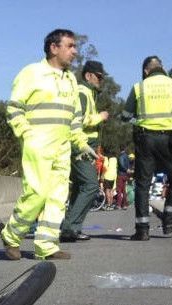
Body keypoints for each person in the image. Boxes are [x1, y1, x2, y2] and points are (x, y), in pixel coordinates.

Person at [1, 29, 95, 260]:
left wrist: (81, 143)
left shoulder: (71, 79)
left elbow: (74, 118)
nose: (75, 51)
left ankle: (47, 246)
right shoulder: (31, 73)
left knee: (57, 197)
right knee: (37, 193)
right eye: (70, 46)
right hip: (38, 145)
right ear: (54, 48)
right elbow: (14, 108)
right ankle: (12, 235)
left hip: (62, 148)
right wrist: (26, 134)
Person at [121, 56, 172, 240]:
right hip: (169, 140)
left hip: (145, 139)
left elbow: (126, 115)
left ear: (145, 71)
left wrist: (139, 121)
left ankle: (142, 230)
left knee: (143, 184)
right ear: (162, 67)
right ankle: (171, 220)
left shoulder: (139, 87)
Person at [60, 60, 110, 242]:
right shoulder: (82, 92)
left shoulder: (89, 93)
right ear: (88, 75)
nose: (100, 81)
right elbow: (78, 120)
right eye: (99, 77)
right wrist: (100, 117)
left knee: (80, 187)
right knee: (91, 186)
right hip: (80, 146)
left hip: (84, 147)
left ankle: (72, 228)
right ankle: (69, 227)